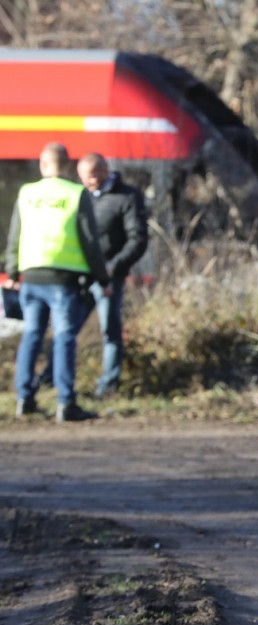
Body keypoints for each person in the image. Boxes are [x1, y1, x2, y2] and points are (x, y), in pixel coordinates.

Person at [4, 142, 112, 422]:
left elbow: (15, 234)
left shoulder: (27, 193)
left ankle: (24, 400)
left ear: (42, 165)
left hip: (31, 278)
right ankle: (66, 403)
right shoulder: (76, 194)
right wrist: (102, 278)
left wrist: (12, 272)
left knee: (32, 335)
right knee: (64, 338)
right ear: (68, 166)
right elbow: (90, 242)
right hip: (64, 280)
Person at [71, 152, 149, 398]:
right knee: (67, 330)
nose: (90, 181)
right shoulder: (77, 196)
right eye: (85, 177)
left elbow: (137, 239)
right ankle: (54, 379)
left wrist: (113, 268)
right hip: (80, 275)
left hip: (110, 275)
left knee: (110, 331)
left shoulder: (126, 197)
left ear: (106, 171)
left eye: (94, 175)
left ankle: (108, 385)